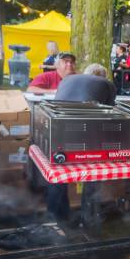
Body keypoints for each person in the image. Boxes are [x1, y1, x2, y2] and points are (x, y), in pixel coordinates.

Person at [46, 63, 117, 226]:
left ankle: (57, 220)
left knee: (58, 174)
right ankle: (89, 217)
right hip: (87, 136)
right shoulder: (107, 84)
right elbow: (110, 114)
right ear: (103, 77)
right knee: (92, 173)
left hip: (58, 130)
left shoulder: (67, 79)